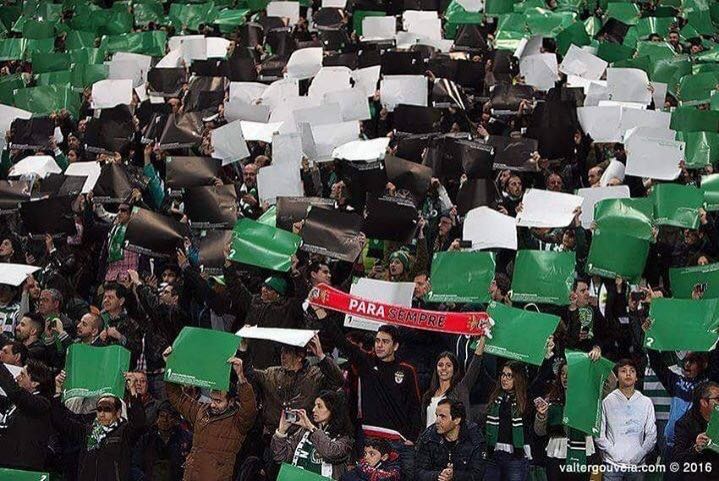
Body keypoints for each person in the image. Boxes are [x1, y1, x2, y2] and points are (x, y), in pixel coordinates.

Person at [324, 321, 421, 478]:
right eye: (377, 340)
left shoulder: (407, 370)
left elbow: (415, 406)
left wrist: (412, 437)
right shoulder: (366, 362)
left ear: (395, 346)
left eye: (385, 341)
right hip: (369, 439)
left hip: (397, 442)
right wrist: (322, 314)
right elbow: (342, 342)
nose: (379, 345)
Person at [163, 347, 257, 481]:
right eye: (212, 399)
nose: (212, 404)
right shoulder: (201, 410)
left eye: (218, 401)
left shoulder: (238, 422)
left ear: (231, 401)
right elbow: (177, 397)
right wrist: (170, 367)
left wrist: (241, 377)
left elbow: (250, 409)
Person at [52, 371, 147, 481]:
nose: (102, 413)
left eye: (107, 409)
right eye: (99, 409)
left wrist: (133, 390)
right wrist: (58, 389)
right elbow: (60, 420)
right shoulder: (87, 431)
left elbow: (140, 423)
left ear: (118, 412)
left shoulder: (125, 432)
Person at [241, 334, 344, 436]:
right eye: (282, 351)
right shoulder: (271, 374)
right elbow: (248, 373)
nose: (282, 356)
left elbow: (338, 381)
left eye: (287, 352)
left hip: (302, 436)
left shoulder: (315, 376)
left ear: (300, 356)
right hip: (273, 435)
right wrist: (243, 351)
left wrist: (321, 356)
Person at [535, 360, 597, 481]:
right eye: (562, 373)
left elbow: (610, 384)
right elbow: (539, 431)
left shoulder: (589, 397)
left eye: (570, 373)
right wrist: (541, 416)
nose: (565, 377)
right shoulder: (551, 399)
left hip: (582, 452)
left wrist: (596, 360)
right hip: (556, 454)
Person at [595, 359, 657, 480]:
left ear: (636, 377)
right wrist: (613, 453)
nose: (628, 374)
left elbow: (651, 434)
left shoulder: (646, 402)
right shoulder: (607, 401)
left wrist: (640, 453)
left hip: (637, 466)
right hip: (612, 465)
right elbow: (598, 434)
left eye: (632, 371)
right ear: (617, 377)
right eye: (623, 371)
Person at [271, 390, 354, 479]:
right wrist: (281, 432)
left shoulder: (345, 438)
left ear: (332, 410)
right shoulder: (304, 431)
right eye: (314, 405)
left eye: (319, 406)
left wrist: (311, 428)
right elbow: (280, 457)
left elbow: (330, 453)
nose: (314, 409)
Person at [0, 359, 54, 471]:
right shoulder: (17, 404)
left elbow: (15, 392)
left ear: (35, 383)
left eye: (22, 375)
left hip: (21, 470)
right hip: (7, 466)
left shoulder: (41, 404)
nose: (17, 378)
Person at [483, 361, 533, 481]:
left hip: (516, 458)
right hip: (493, 455)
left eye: (509, 375)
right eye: (503, 374)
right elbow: (481, 373)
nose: (504, 379)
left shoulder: (526, 399)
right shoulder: (495, 396)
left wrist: (546, 357)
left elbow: (540, 379)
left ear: (518, 378)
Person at [420, 336, 486, 428]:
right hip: (429, 437)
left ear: (454, 369)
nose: (444, 368)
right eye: (440, 365)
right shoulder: (428, 395)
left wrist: (483, 338)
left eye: (448, 365)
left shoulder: (460, 389)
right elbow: (423, 426)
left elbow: (475, 365)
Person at [414, 398, 486, 481]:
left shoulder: (474, 437)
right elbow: (418, 472)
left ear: (457, 420)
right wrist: (439, 475)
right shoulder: (429, 436)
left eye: (442, 417)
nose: (437, 421)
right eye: (437, 416)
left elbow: (477, 475)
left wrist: (454, 476)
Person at [131, 401, 193, 481]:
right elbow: (135, 465)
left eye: (169, 417)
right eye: (162, 416)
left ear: (175, 420)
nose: (164, 420)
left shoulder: (186, 438)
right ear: (157, 418)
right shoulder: (146, 439)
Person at [673, 381, 719, 481]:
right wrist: (696, 448)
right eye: (718, 399)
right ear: (704, 402)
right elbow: (678, 460)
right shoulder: (684, 424)